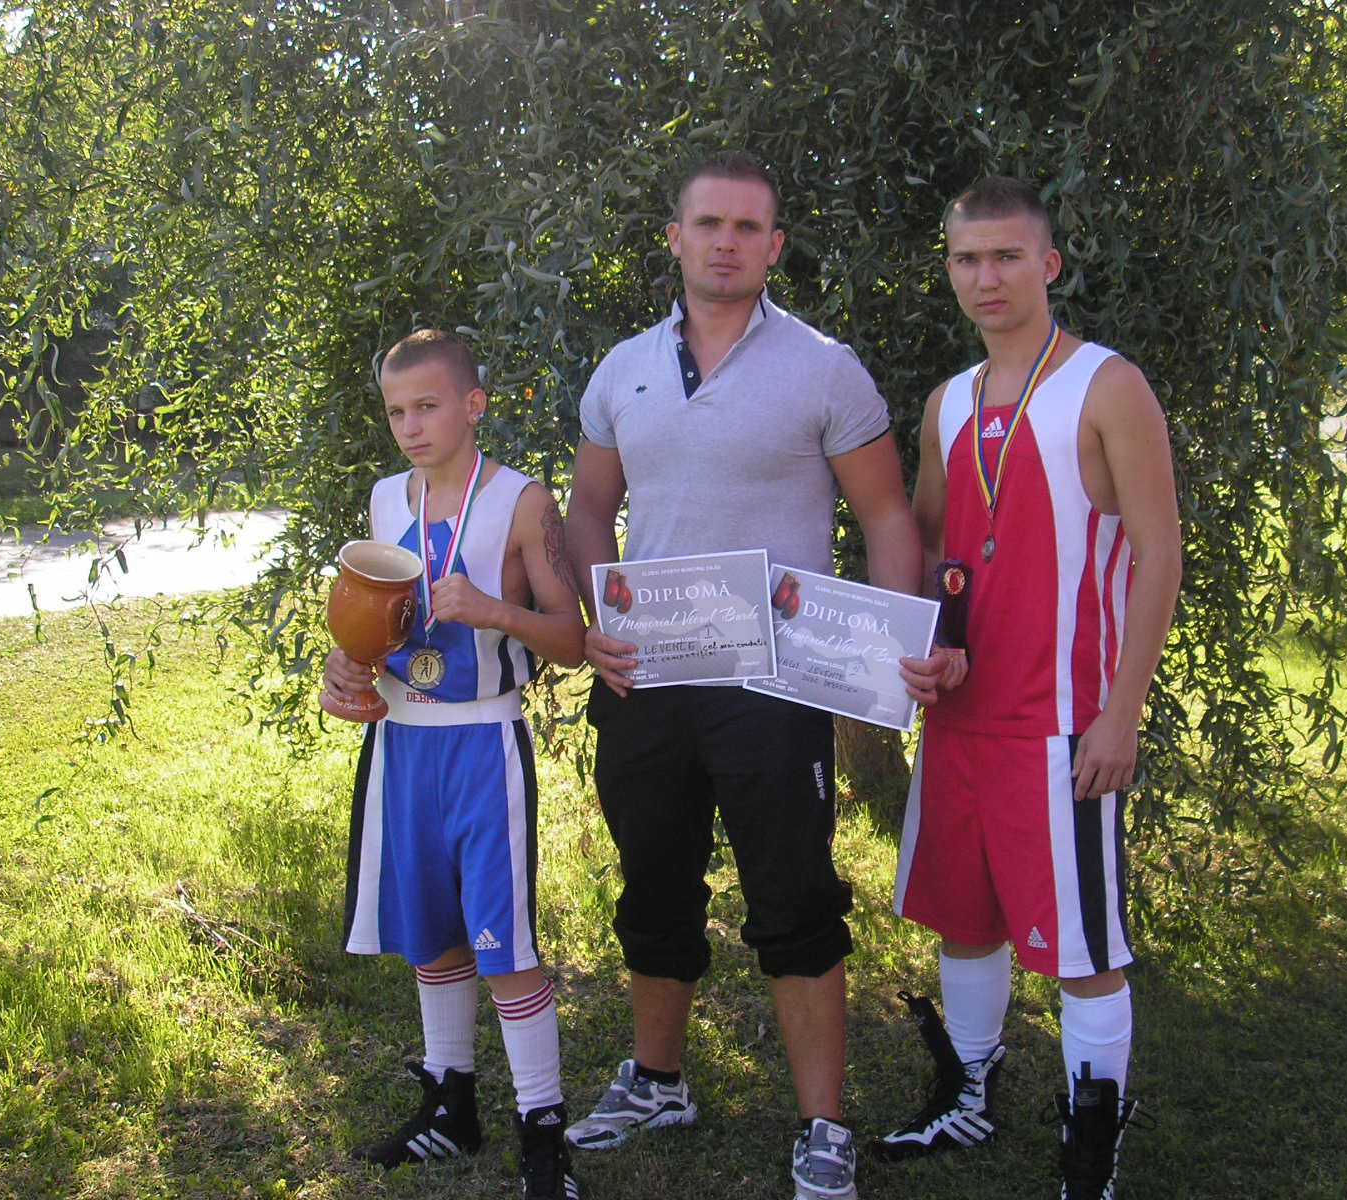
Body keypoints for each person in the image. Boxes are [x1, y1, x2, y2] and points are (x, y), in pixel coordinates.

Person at [562, 150, 955, 1200]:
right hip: (646, 675)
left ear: (775, 246)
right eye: (709, 224)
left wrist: (902, 639)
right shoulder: (621, 369)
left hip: (776, 686)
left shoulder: (824, 368)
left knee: (793, 895)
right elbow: (588, 510)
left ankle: (823, 1125)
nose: (726, 243)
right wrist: (596, 617)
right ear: (675, 238)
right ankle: (657, 1081)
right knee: (653, 882)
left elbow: (884, 515)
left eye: (747, 228)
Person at [877, 176, 1181, 1200]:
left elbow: (1160, 555)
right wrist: (932, 643)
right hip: (961, 719)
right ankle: (968, 1095)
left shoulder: (1106, 384)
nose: (987, 277)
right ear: (950, 269)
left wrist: (1121, 715)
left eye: (1008, 256)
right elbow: (935, 549)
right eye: (968, 258)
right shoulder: (948, 401)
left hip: (1061, 725)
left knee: (1084, 950)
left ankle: (1093, 1146)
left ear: (1047, 264)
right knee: (965, 918)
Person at [322, 329, 587, 1199]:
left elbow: (573, 640)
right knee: (429, 935)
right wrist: (344, 667)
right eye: (397, 411)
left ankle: (543, 1133)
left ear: (473, 405)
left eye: (428, 406)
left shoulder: (522, 501)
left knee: (503, 945)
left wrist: (492, 610)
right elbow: (371, 629)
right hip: (402, 742)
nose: (411, 426)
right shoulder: (384, 501)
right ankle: (450, 1104)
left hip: (482, 741)